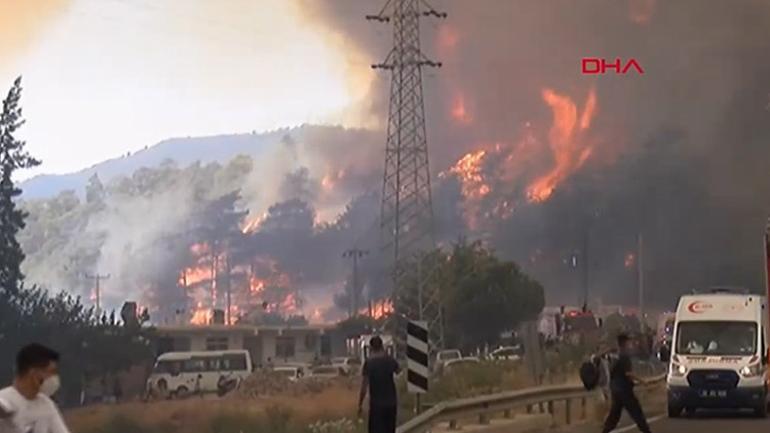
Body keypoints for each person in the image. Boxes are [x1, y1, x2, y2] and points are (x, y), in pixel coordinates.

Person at [0, 343, 71, 433]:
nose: (54, 378)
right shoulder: (4, 401)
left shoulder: (46, 404)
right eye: (51, 372)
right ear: (33, 373)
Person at [602, 334, 652, 433]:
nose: (630, 344)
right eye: (629, 342)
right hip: (624, 391)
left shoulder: (615, 356)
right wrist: (642, 381)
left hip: (616, 390)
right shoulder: (624, 356)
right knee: (637, 413)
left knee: (614, 416)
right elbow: (628, 373)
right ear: (625, 343)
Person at [358, 336, 400, 433]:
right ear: (382, 346)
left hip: (376, 405)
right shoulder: (390, 360)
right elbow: (399, 371)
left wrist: (360, 404)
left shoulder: (369, 363)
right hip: (391, 403)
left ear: (371, 348)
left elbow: (364, 386)